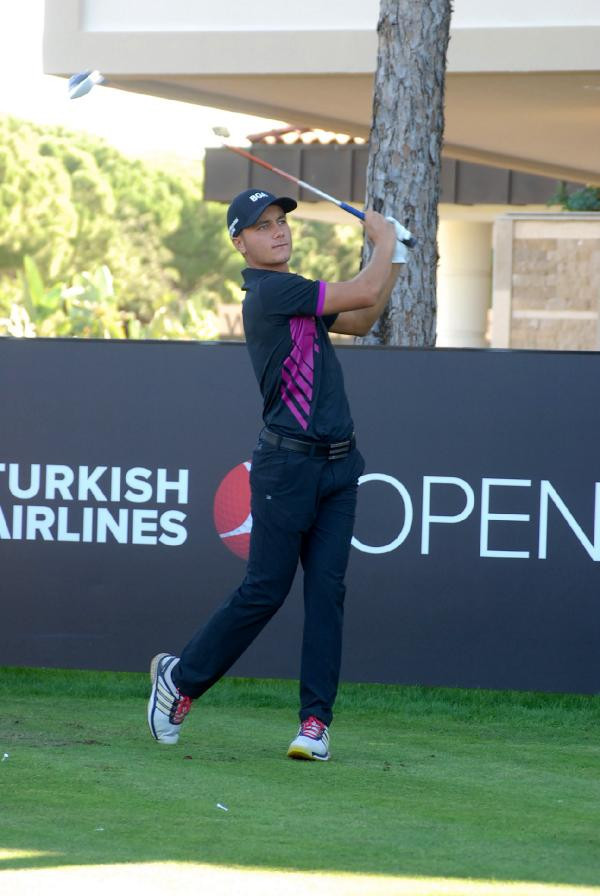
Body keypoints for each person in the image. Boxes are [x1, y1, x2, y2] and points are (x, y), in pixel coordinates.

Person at [148, 188, 408, 760]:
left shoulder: (297, 294)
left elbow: (363, 317)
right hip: (286, 467)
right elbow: (364, 289)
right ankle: (180, 681)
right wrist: (384, 241)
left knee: (327, 594)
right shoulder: (271, 292)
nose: (279, 231)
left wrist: (395, 257)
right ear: (240, 243)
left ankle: (315, 724)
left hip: (339, 467)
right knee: (265, 590)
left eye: (281, 222)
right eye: (262, 226)